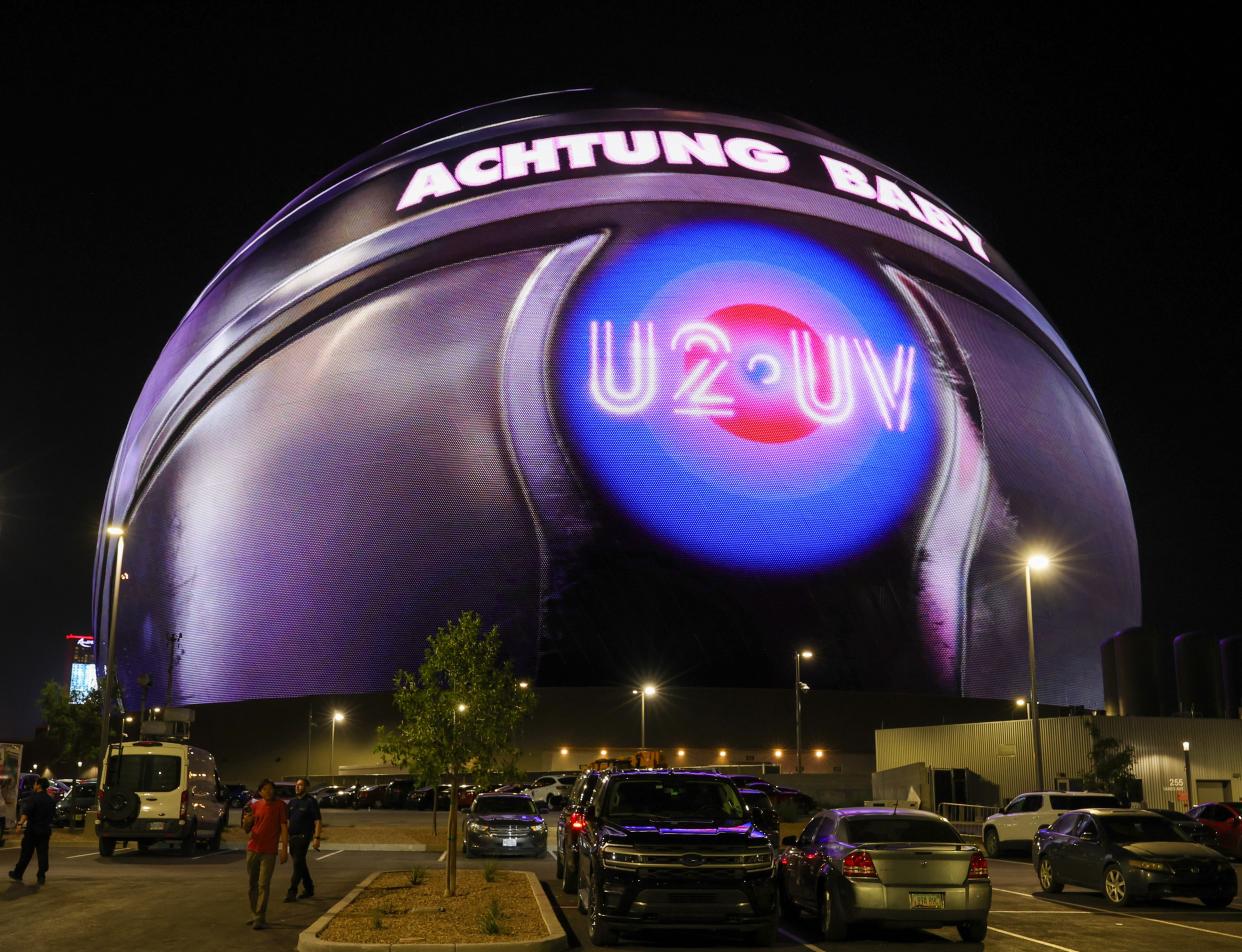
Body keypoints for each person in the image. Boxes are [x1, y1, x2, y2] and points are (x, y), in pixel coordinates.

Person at [241, 778, 288, 929]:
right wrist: (247, 820)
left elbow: (283, 828)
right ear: (260, 792)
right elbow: (247, 829)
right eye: (265, 789)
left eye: (271, 789)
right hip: (253, 849)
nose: (269, 791)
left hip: (269, 851)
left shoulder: (280, 805)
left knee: (263, 885)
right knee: (252, 884)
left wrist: (284, 849)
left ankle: (260, 917)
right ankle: (254, 914)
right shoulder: (255, 805)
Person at [8, 776, 54, 884]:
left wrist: (19, 824)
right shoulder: (50, 800)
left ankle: (18, 874)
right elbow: (52, 816)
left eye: (35, 784)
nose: (34, 786)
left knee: (26, 854)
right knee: (43, 854)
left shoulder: (33, 798)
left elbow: (26, 813)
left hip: (32, 831)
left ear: (38, 785)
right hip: (45, 831)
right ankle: (41, 876)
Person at [284, 777, 322, 901]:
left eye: (300, 785)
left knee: (297, 863)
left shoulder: (311, 802)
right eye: (296, 785)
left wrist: (316, 838)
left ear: (306, 787)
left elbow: (317, 821)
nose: (297, 787)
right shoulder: (292, 802)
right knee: (300, 864)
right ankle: (309, 888)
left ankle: (292, 891)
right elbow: (287, 821)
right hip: (292, 838)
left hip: (304, 837)